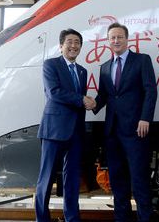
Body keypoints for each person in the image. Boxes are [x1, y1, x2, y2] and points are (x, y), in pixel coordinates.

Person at [93, 22, 157, 222]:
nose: (116, 40)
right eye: (112, 37)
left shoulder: (142, 60)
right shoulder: (104, 67)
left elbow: (150, 91)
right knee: (118, 182)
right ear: (108, 41)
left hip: (136, 130)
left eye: (119, 37)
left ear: (127, 39)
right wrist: (88, 103)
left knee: (139, 180)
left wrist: (145, 117)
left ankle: (144, 218)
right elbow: (103, 97)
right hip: (112, 132)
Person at [35, 28, 96, 222]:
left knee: (72, 179)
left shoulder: (82, 71)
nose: (73, 45)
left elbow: (78, 102)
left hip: (76, 132)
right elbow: (54, 93)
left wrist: (87, 102)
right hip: (54, 130)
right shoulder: (50, 65)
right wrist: (82, 99)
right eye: (69, 42)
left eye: (77, 42)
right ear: (61, 46)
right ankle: (42, 218)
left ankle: (72, 218)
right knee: (46, 178)